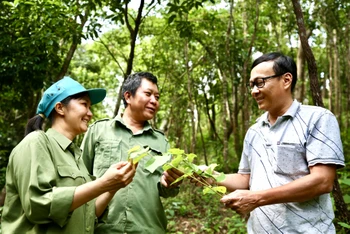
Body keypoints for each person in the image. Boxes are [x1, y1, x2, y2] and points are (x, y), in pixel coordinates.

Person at [197, 52, 345, 233]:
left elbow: (323, 181)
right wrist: (212, 176)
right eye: (251, 85)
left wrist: (257, 198)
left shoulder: (318, 118)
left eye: (260, 82)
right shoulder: (254, 131)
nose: (254, 91)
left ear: (286, 80)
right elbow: (245, 179)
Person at [1, 77, 136, 233]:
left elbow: (89, 216)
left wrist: (112, 187)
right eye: (84, 104)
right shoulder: (36, 142)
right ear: (60, 108)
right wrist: (103, 183)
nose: (90, 113)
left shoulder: (76, 156)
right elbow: (38, 207)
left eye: (90, 107)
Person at [81, 72, 183, 233]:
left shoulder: (161, 141)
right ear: (128, 96)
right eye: (148, 94)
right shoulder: (98, 131)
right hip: (102, 228)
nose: (154, 101)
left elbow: (167, 190)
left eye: (157, 97)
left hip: (148, 228)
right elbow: (81, 178)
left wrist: (171, 183)